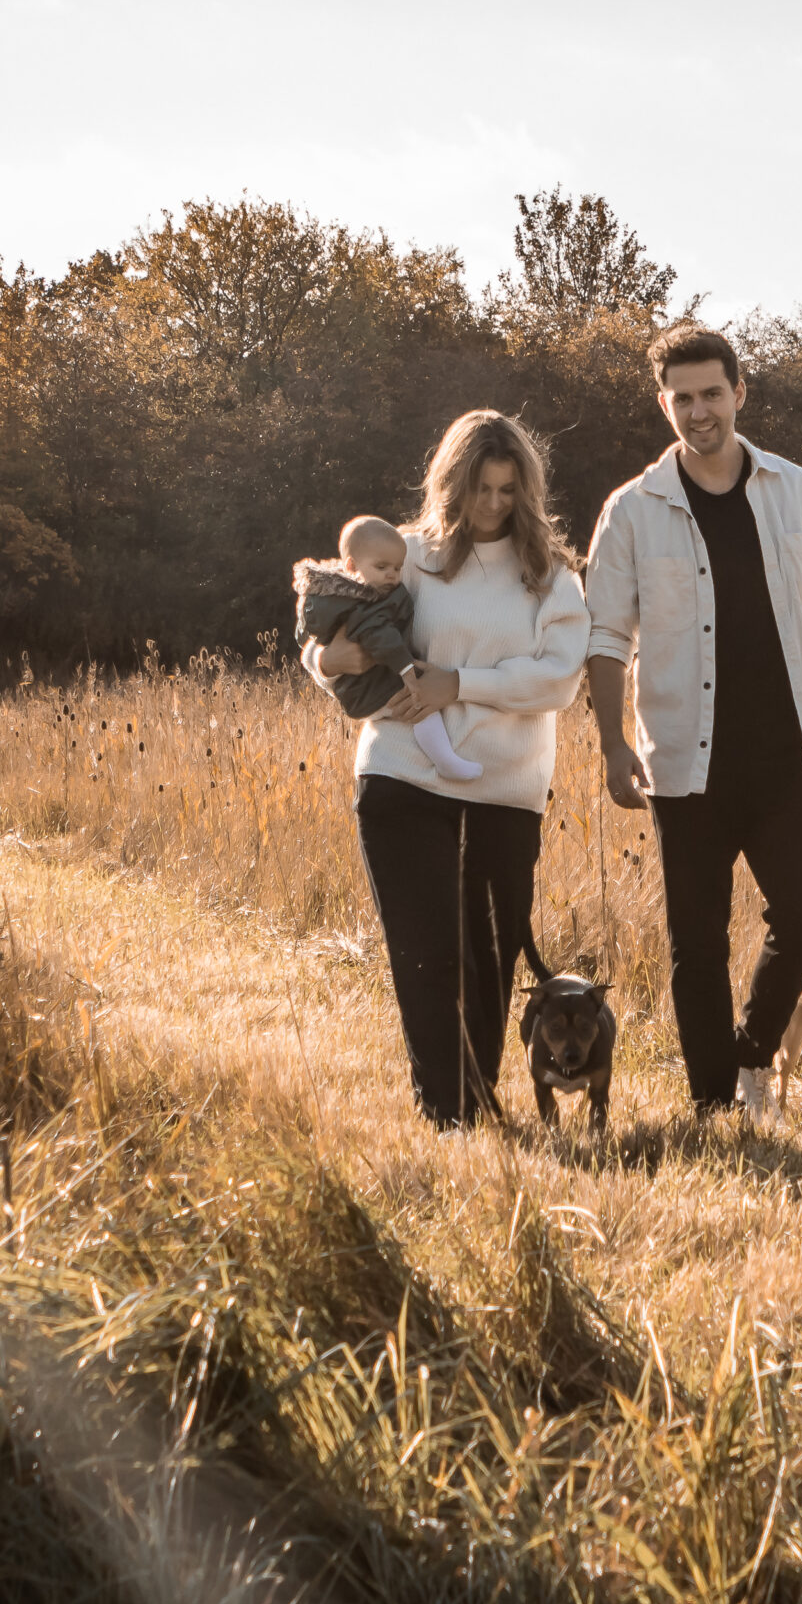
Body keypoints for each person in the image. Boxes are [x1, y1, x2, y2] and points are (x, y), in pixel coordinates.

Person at [584, 321, 802, 1123]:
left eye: (710, 394)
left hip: (793, 752)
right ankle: (713, 1104)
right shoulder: (631, 511)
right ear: (663, 403)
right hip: (684, 761)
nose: (697, 411)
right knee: (697, 942)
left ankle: (752, 1053)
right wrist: (612, 743)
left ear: (738, 393)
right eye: (680, 398)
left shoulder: (799, 492)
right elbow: (605, 637)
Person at [303, 411, 590, 1129]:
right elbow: (329, 624)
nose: (491, 504)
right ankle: (447, 1115)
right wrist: (323, 662)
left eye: (505, 489)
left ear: (526, 490)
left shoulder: (551, 578)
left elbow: (557, 680)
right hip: (401, 778)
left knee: (490, 962)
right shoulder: (405, 554)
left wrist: (457, 683)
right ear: (450, 485)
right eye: (479, 488)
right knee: (427, 958)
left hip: (505, 788)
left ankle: (476, 1098)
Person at [292, 513, 482, 784]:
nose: (392, 575)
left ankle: (446, 760)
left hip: (365, 690)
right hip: (376, 693)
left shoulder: (347, 593)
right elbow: (376, 638)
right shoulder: (367, 601)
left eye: (397, 568)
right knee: (423, 709)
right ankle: (446, 761)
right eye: (382, 568)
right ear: (351, 566)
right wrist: (406, 670)